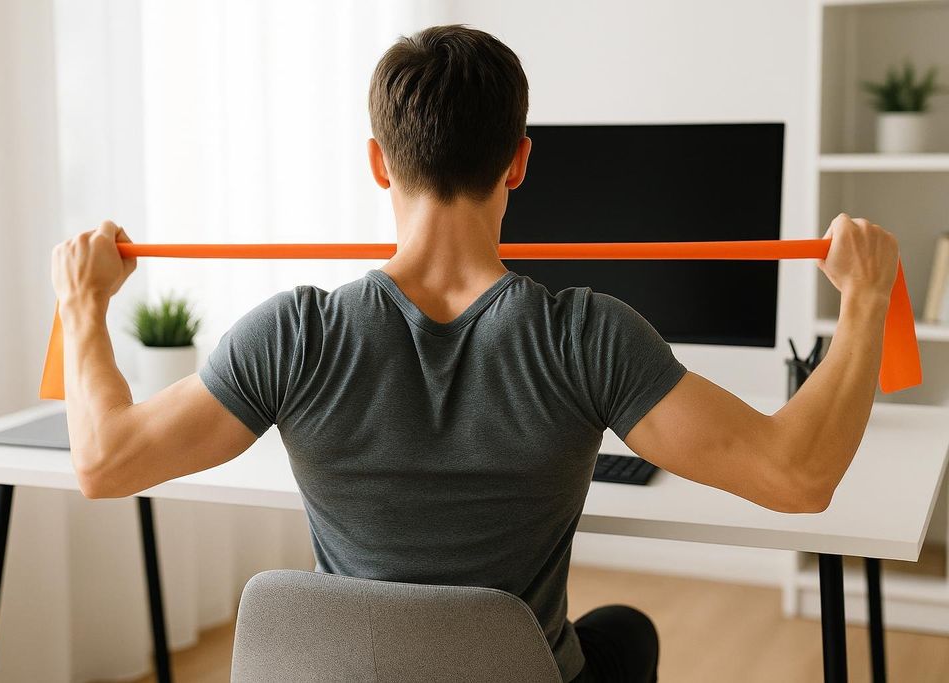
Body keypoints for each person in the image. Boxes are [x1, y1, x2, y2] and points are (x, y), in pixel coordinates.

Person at [51, 25, 899, 683]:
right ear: (520, 161)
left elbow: (104, 460)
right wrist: (864, 299)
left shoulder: (292, 333)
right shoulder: (586, 335)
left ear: (378, 163)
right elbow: (797, 475)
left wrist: (85, 305)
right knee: (628, 633)